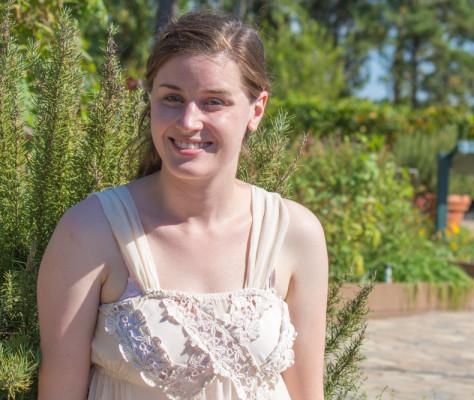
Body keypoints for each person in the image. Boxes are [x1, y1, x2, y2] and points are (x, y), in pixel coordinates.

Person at [36, 11, 328, 400]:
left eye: (214, 102)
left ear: (256, 111)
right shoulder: (91, 230)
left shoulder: (294, 233)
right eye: (172, 98)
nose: (189, 121)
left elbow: (309, 393)